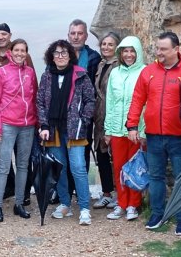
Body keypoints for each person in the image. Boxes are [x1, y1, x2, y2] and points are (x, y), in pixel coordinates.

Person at [126, 31, 181, 235]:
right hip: (153, 137)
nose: (159, 52)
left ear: (176, 49)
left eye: (163, 49)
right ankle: (157, 214)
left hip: (180, 137)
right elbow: (138, 99)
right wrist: (131, 126)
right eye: (157, 48)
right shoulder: (148, 72)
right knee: (156, 177)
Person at [37, 39, 95, 225]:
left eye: (64, 53)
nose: (60, 56)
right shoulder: (46, 76)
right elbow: (40, 103)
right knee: (59, 169)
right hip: (53, 130)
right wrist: (44, 125)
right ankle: (65, 204)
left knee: (78, 168)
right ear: (51, 57)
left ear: (70, 55)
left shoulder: (80, 75)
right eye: (56, 53)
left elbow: (90, 100)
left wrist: (83, 120)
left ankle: (84, 207)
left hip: (75, 130)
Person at [0, 23, 35, 204]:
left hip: (25, 121)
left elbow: (33, 90)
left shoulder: (27, 62)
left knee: (23, 161)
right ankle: (3, 197)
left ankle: (22, 195)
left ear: (10, 35)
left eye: (4, 34)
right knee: (3, 161)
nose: (0, 37)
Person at [0, 38, 37, 222]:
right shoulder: (1, 72)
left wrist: (37, 124)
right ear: (10, 51)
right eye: (16, 50)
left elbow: (34, 98)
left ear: (26, 53)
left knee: (23, 166)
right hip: (7, 125)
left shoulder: (30, 72)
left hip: (27, 125)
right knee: (4, 166)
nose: (19, 53)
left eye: (23, 50)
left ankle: (19, 204)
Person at [104, 36, 146, 221]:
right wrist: (107, 129)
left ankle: (133, 205)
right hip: (116, 129)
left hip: (136, 130)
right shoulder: (115, 72)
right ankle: (121, 203)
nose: (128, 55)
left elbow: (146, 104)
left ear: (138, 53)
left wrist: (142, 131)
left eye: (132, 51)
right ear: (120, 53)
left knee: (135, 167)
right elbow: (110, 102)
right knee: (119, 167)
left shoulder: (144, 72)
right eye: (125, 51)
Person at [68, 19, 101, 174]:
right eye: (73, 33)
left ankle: (79, 188)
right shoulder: (61, 54)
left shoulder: (93, 57)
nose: (76, 37)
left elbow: (96, 86)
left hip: (84, 113)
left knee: (83, 150)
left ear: (86, 36)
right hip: (64, 112)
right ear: (68, 35)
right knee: (63, 149)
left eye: (79, 33)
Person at [92, 31, 121, 209]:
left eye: (110, 44)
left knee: (116, 156)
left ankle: (120, 194)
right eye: (104, 44)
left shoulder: (118, 66)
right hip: (100, 116)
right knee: (101, 154)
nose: (106, 47)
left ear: (116, 47)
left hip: (114, 115)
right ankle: (107, 193)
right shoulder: (101, 65)